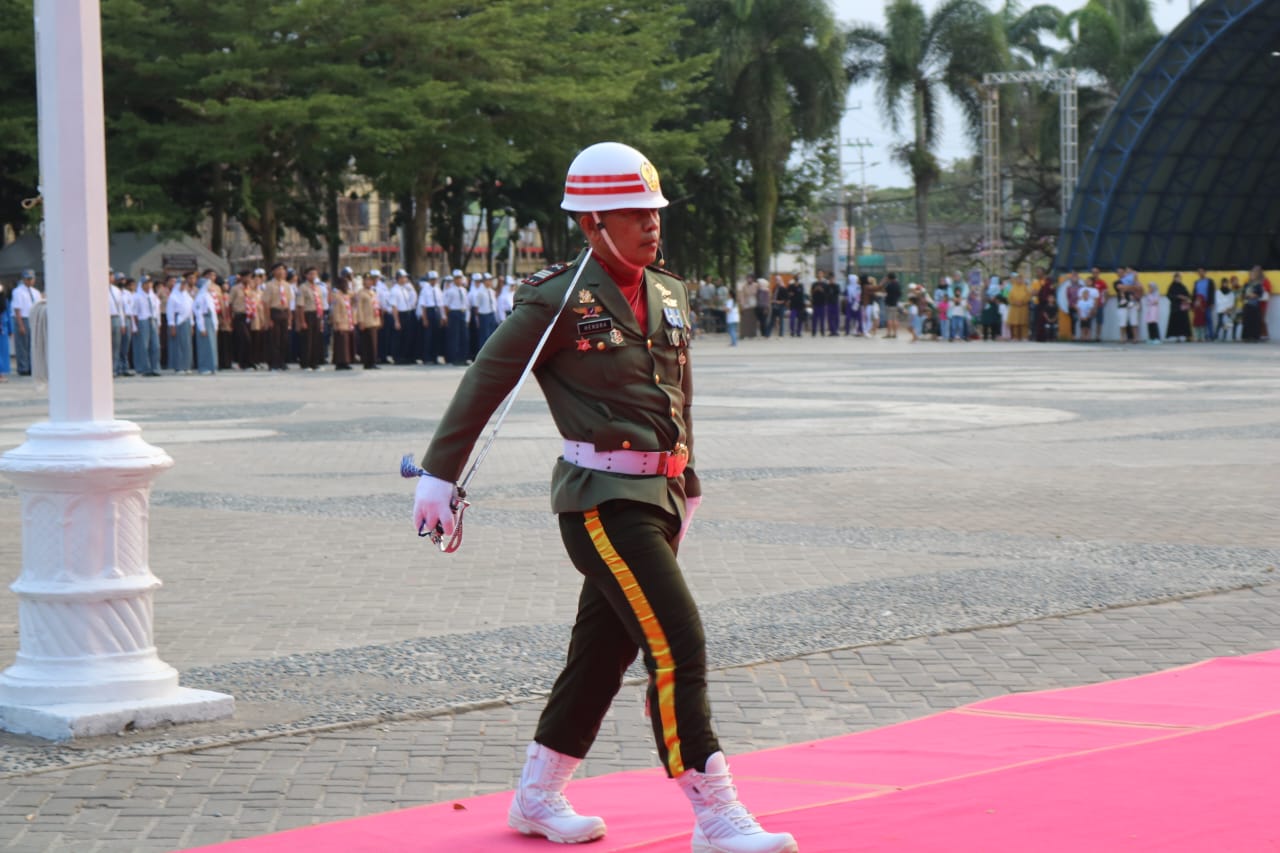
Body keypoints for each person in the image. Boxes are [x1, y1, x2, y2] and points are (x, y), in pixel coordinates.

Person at [411, 142, 797, 853]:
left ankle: (536, 794)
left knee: (599, 654)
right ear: (592, 224)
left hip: (661, 493)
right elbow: (485, 379)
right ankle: (715, 811)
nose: (652, 224)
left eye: (654, 210)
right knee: (678, 643)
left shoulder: (669, 292)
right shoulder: (557, 298)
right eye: (633, 213)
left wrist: (690, 473)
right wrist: (442, 472)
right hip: (600, 502)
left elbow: (678, 393)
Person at [11, 269, 40, 376]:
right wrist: (21, 325)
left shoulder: (36, 292)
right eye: (27, 279)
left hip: (33, 318)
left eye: (31, 279)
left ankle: (32, 367)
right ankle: (23, 368)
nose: (29, 281)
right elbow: (17, 309)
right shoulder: (18, 291)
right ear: (23, 279)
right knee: (22, 345)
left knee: (33, 345)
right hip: (23, 318)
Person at [166, 275, 195, 372]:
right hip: (177, 321)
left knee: (187, 345)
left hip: (186, 321)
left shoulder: (188, 297)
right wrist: (172, 326)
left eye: (184, 284)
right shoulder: (173, 297)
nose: (183, 286)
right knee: (178, 345)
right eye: (181, 284)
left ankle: (187, 366)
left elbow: (190, 311)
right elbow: (170, 312)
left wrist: (191, 324)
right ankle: (179, 367)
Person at [194, 273, 220, 375]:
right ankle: (204, 366)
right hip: (204, 321)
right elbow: (198, 313)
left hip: (210, 321)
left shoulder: (209, 296)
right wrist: (202, 328)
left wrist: (215, 325)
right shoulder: (200, 297)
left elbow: (213, 312)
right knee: (204, 345)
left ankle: (212, 366)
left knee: (212, 345)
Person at [1165, 273, 1191, 342]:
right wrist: (1177, 296)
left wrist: (1184, 297)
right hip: (1175, 308)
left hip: (1182, 308)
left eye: (1179, 278)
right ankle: (1176, 336)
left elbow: (1188, 295)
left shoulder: (1183, 286)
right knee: (1175, 322)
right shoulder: (1171, 286)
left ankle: (1185, 336)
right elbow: (1169, 295)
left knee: (1183, 322)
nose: (1178, 279)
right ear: (1174, 278)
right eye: (1177, 278)